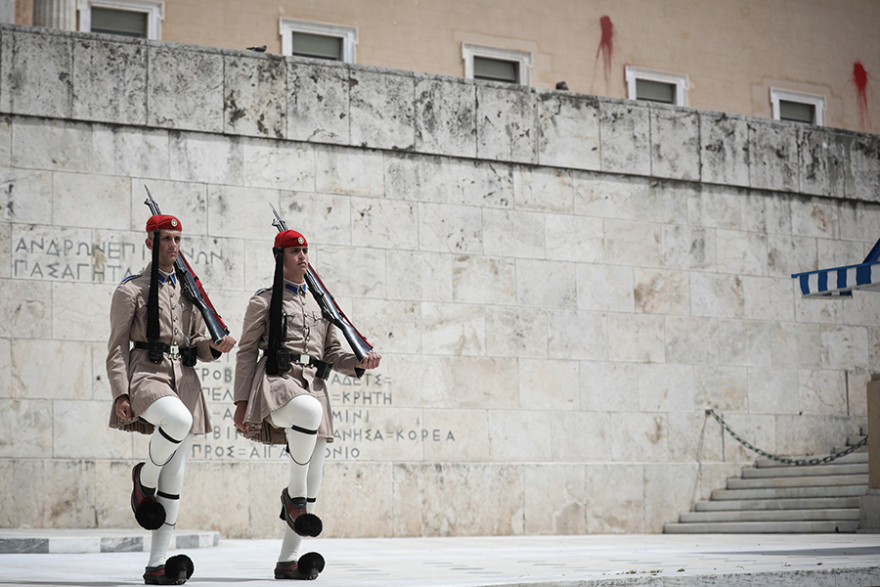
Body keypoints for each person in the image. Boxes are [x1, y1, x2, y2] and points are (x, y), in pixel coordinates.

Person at [233, 229, 381, 581]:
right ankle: (291, 499)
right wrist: (240, 402)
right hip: (277, 384)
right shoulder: (264, 300)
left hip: (314, 386)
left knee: (315, 475)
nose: (302, 257)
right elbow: (246, 351)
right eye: (295, 252)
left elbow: (332, 353)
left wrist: (358, 362)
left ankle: (289, 560)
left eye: (305, 251)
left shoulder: (320, 304)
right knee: (308, 416)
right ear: (279, 258)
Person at [107, 214, 236, 586]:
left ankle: (157, 565)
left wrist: (215, 347)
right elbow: (116, 348)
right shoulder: (131, 289)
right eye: (166, 239)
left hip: (186, 381)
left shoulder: (187, 291)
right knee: (176, 421)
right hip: (147, 375)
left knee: (175, 479)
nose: (174, 246)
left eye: (178, 240)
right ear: (150, 243)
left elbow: (196, 343)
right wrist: (120, 392)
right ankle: (142, 479)